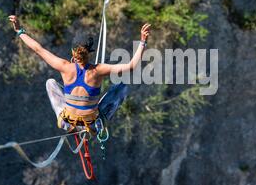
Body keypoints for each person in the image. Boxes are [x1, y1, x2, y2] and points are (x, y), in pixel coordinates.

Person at [8, 15, 151, 133]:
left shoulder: (64, 67)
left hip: (67, 121)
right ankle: (99, 123)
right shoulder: (98, 70)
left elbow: (38, 49)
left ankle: (67, 121)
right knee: (122, 86)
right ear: (89, 53)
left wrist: (20, 30)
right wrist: (143, 42)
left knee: (50, 83)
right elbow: (131, 66)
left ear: (72, 52)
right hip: (90, 124)